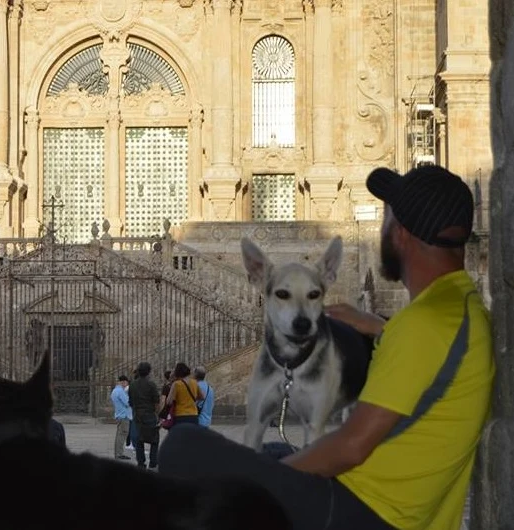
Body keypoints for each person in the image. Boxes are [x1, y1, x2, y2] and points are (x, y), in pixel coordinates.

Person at [159, 165, 495, 530]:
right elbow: (431, 360)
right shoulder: (459, 307)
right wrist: (382, 328)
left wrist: (269, 481)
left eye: (385, 218)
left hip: (365, 513)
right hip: (398, 507)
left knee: (183, 446)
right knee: (269, 452)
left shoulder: (422, 326)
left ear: (400, 233)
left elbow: (351, 447)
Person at [127, 362, 161, 469]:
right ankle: (153, 461)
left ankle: (141, 462)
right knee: (154, 438)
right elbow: (156, 402)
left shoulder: (132, 385)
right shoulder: (151, 385)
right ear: (149, 372)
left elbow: (131, 402)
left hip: (138, 414)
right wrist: (158, 415)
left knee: (139, 439)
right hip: (149, 414)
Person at [164, 362, 204, 427]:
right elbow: (202, 397)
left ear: (177, 373)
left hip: (181, 416)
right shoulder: (194, 382)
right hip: (193, 415)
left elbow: (169, 402)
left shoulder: (176, 384)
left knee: (181, 436)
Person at [110, 375, 132, 460]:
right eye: (126, 383)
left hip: (119, 414)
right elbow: (127, 402)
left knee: (119, 435)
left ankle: (118, 453)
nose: (127, 385)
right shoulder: (120, 391)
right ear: (123, 382)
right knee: (122, 435)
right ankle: (119, 454)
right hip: (124, 415)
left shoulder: (115, 390)